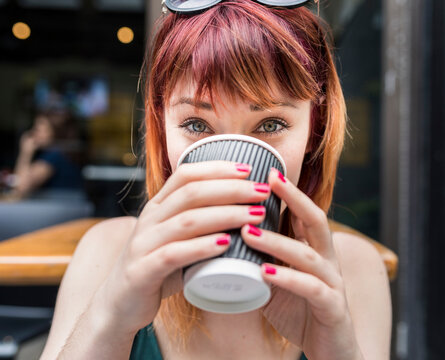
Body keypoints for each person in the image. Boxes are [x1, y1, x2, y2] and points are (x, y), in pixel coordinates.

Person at [41, 0, 392, 359]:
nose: (228, 161)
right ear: (162, 127)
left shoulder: (353, 272)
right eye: (196, 125)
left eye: (271, 125)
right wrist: (111, 317)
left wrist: (335, 351)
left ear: (313, 131)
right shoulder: (107, 254)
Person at [12, 109, 83, 198]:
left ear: (55, 132)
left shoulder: (55, 157)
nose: (33, 133)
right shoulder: (65, 153)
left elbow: (21, 188)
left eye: (38, 129)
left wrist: (25, 153)